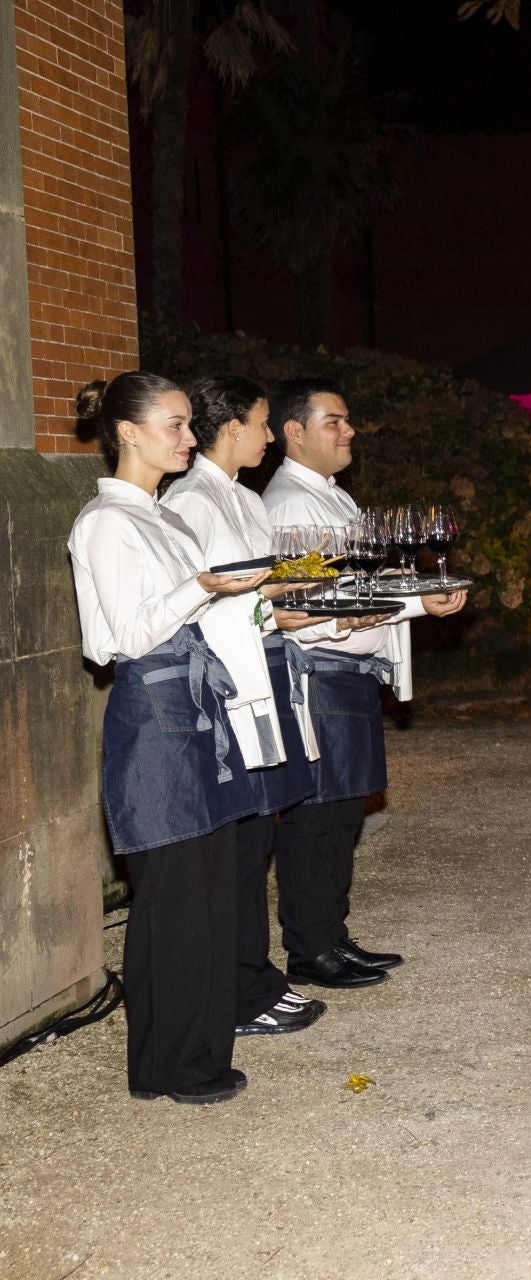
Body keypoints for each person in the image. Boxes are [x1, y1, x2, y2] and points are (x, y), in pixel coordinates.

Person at [68, 372, 279, 1104]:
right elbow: (123, 637)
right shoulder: (107, 522)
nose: (191, 438)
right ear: (128, 432)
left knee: (210, 889)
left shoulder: (163, 518)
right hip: (155, 718)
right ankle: (173, 1064)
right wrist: (203, 586)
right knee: (176, 896)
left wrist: (267, 601)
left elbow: (202, 615)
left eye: (190, 424)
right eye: (176, 425)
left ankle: (190, 1054)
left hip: (198, 705)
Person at [263, 377, 468, 990]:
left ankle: (328, 934)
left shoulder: (331, 498)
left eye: (347, 420)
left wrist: (417, 600)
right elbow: (317, 604)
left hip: (345, 673)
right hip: (321, 673)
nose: (349, 431)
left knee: (342, 809)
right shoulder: (292, 506)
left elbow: (360, 589)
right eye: (334, 421)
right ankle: (310, 948)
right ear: (294, 432)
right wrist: (417, 605)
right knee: (320, 813)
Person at [163, 374, 330, 1038]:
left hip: (263, 671)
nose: (268, 435)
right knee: (236, 842)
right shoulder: (191, 500)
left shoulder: (243, 497)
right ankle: (236, 989)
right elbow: (195, 604)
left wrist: (303, 597)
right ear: (232, 426)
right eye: (262, 423)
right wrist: (272, 605)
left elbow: (263, 589)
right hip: (228, 686)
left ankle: (255, 976)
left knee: (258, 831)